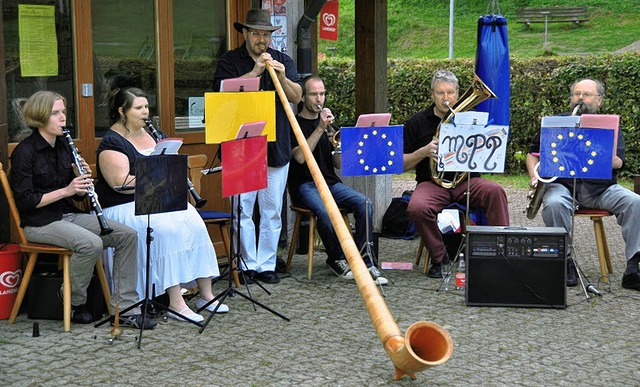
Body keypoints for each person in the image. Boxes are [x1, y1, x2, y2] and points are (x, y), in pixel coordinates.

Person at [9, 90, 155, 329]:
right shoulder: (25, 152)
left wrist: (81, 183)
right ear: (39, 116)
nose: (63, 118)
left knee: (127, 236)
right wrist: (67, 190)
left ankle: (125, 308)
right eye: (55, 113)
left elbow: (77, 194)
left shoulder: (65, 146)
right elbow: (26, 200)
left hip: (68, 215)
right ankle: (73, 299)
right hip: (39, 223)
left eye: (63, 112)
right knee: (91, 244)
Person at [94, 87, 229, 323]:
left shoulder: (156, 134)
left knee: (195, 223)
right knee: (167, 231)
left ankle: (205, 295)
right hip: (125, 205)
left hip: (158, 199)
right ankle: (176, 303)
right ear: (121, 111)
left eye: (147, 107)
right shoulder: (111, 143)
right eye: (139, 108)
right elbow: (118, 183)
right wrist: (157, 175)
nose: (145, 112)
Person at [213, 9, 303, 285]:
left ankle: (265, 264)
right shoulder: (229, 61)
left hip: (276, 146)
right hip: (240, 145)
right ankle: (245, 264)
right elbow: (222, 99)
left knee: (272, 209)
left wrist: (283, 77)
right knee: (242, 210)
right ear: (245, 34)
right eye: (256, 34)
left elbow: (297, 96)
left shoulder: (283, 60)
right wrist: (255, 72)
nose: (261, 40)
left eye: (266, 35)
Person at [526, 78, 640, 290]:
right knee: (554, 204)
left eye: (586, 95)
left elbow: (618, 162)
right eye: (577, 94)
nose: (580, 98)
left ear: (599, 100)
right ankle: (564, 261)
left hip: (601, 189)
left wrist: (592, 153)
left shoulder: (609, 125)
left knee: (635, 202)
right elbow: (533, 154)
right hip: (564, 187)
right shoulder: (556, 122)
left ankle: (634, 267)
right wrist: (535, 176)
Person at [403, 70, 510, 278]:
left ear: (458, 94)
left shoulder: (473, 120)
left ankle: (501, 254)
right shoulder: (417, 122)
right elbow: (402, 163)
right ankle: (439, 258)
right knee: (416, 207)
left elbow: (488, 150)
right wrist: (423, 152)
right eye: (440, 93)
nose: (445, 98)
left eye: (450, 93)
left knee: (496, 191)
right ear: (432, 95)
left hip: (467, 181)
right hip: (432, 183)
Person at [288, 76, 388, 285]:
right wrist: (319, 129)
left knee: (365, 203)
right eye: (314, 94)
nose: (319, 99)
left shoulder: (330, 126)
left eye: (322, 93)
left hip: (331, 183)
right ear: (303, 97)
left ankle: (366, 261)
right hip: (305, 185)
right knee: (325, 211)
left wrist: (341, 147)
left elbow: (339, 164)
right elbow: (298, 157)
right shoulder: (294, 123)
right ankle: (337, 258)